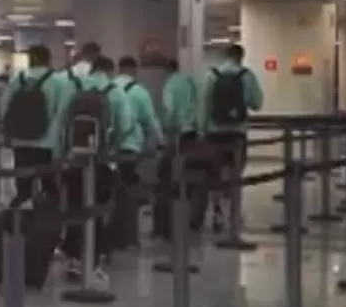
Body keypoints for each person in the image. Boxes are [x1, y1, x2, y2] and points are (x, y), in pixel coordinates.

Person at [61, 56, 132, 281]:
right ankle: (92, 259)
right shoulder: (116, 93)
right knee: (98, 210)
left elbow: (61, 124)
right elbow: (124, 126)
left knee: (75, 207)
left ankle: (72, 258)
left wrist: (64, 154)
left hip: (74, 159)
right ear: (109, 71)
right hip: (101, 161)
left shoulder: (74, 90)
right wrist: (112, 149)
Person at [0, 44, 76, 204]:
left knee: (23, 188)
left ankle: (20, 221)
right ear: (48, 60)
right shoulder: (58, 82)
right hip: (45, 143)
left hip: (20, 141)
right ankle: (50, 221)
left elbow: (3, 106)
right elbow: (62, 113)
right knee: (50, 186)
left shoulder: (17, 80)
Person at [201, 44, 264, 232]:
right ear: (240, 57)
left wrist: (202, 129)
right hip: (237, 133)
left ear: (224, 56)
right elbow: (257, 103)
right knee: (236, 176)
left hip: (214, 133)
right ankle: (235, 216)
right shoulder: (246, 76)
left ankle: (217, 214)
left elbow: (204, 105)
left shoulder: (211, 75)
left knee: (215, 175)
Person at [113, 56, 165, 248]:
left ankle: (113, 236)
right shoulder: (139, 92)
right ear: (134, 71)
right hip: (130, 147)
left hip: (109, 149)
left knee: (112, 192)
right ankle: (129, 237)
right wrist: (160, 142)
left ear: (119, 69)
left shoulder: (109, 88)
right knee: (129, 190)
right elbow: (150, 120)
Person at [156, 58, 202, 240]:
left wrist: (164, 131)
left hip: (176, 137)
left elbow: (169, 110)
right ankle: (193, 220)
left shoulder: (170, 85)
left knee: (167, 178)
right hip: (192, 134)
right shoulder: (189, 82)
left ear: (167, 69)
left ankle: (166, 227)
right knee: (192, 179)